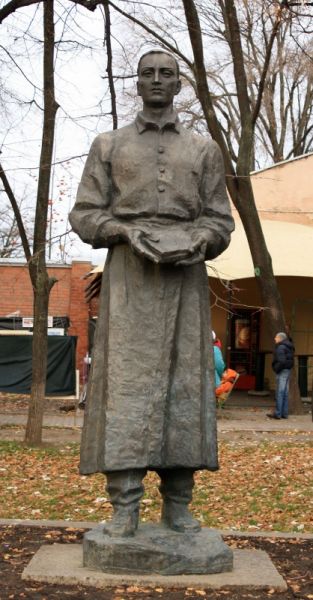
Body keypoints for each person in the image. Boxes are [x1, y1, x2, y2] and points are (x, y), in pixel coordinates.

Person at [69, 49, 234, 538]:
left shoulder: (204, 150)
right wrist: (123, 231)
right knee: (125, 389)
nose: (157, 80)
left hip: (185, 279)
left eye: (166, 73)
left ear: (179, 83)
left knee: (187, 387)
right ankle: (124, 505)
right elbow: (84, 214)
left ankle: (178, 503)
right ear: (136, 83)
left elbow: (220, 220)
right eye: (147, 74)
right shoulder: (109, 144)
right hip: (129, 279)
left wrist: (199, 239)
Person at [267, 332, 295, 419]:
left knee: (280, 392)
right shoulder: (289, 347)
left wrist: (276, 369)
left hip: (282, 371)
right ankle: (284, 413)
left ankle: (278, 413)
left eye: (276, 337)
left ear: (280, 338)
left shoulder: (280, 347)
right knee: (285, 393)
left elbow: (281, 361)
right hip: (288, 370)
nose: (275, 339)